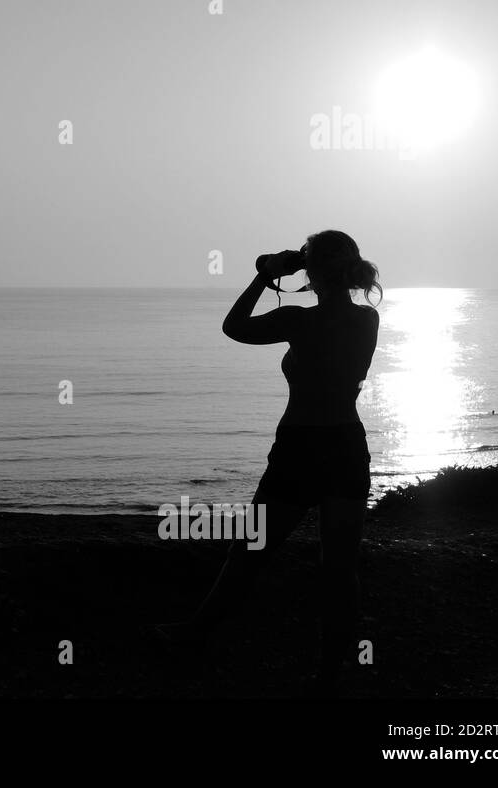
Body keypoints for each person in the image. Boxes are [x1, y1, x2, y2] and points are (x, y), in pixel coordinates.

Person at [156, 229, 382, 695]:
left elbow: (234, 326)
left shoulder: (297, 322)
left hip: (299, 447)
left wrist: (264, 275)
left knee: (250, 552)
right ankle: (330, 673)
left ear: (311, 271)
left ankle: (196, 633)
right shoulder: (367, 320)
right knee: (339, 567)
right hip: (344, 445)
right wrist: (301, 267)